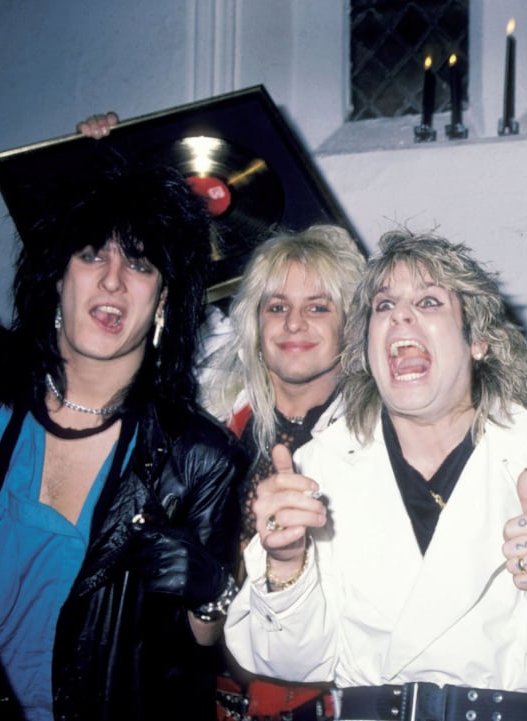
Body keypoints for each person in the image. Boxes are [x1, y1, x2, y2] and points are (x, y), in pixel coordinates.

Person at [225, 229, 527, 721]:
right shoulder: (321, 466)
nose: (400, 315)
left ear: (478, 341)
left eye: (429, 301)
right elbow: (289, 661)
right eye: (383, 306)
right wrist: (288, 565)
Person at [0, 159, 247, 721]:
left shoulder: (200, 459)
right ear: (58, 278)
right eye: (91, 255)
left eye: (138, 263)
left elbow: (193, 664)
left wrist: (211, 591)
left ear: (162, 302)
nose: (112, 279)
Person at [203, 224, 366, 720]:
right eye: (277, 307)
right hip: (221, 694)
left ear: (351, 325)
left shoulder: (385, 438)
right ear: (254, 323)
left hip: (342, 699)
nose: (294, 323)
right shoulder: (216, 427)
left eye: (318, 307)